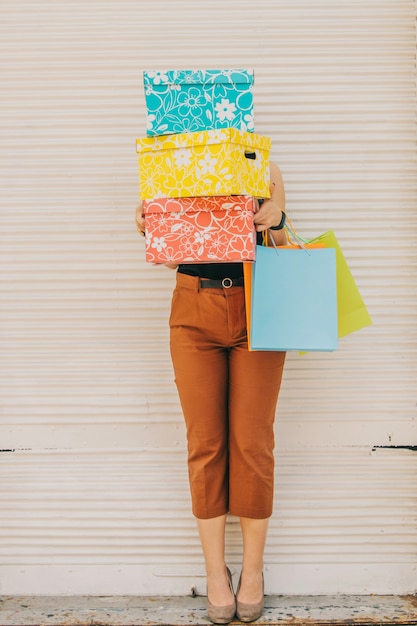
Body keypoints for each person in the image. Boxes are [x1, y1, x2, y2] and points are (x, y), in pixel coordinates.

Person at [135, 161, 287, 624]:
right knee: (205, 444)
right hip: (192, 304)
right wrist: (150, 226)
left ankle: (254, 572)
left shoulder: (262, 165)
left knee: (253, 443)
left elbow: (282, 245)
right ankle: (215, 574)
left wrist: (275, 214)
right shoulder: (169, 168)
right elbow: (165, 255)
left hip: (259, 299)